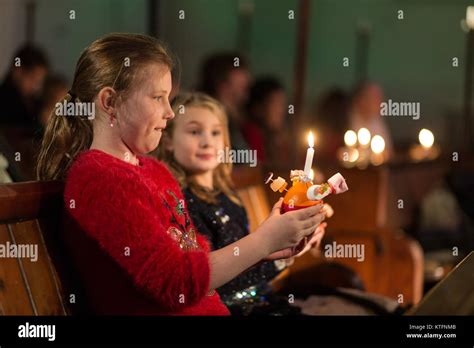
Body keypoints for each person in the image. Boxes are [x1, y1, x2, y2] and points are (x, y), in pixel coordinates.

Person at [36, 33, 325, 315]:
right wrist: (263, 241)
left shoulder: (154, 171)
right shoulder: (98, 177)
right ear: (110, 102)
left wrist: (273, 243)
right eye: (158, 98)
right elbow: (176, 283)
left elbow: (197, 265)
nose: (170, 112)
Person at [157, 91, 326, 314]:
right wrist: (279, 259)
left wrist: (290, 246)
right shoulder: (180, 204)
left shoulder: (229, 197)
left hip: (264, 300)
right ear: (168, 141)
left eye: (215, 133)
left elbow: (250, 259)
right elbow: (216, 283)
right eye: (194, 132)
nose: (207, 141)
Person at [198, 52, 251, 151]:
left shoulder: (233, 120)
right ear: (222, 86)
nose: (247, 78)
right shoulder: (209, 119)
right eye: (241, 85)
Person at [243, 76, 292, 171]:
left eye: (282, 104)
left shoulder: (281, 137)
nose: (281, 111)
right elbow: (260, 170)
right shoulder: (251, 133)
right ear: (258, 108)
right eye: (275, 104)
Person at [0, 45, 49, 129]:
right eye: (32, 78)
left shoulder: (35, 101)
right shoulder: (5, 102)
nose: (36, 86)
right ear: (18, 72)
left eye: (39, 81)